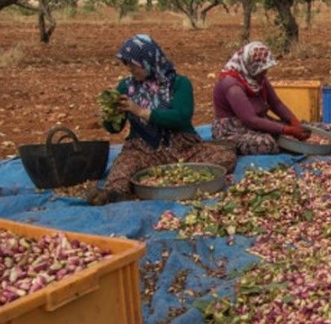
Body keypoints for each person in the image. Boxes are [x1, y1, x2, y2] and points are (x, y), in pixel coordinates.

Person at [89, 34, 236, 205]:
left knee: (225, 157)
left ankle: (164, 177)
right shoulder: (126, 87)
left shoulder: (179, 84)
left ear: (148, 60)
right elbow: (115, 128)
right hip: (143, 149)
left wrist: (141, 111)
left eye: (133, 64)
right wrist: (109, 115)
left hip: (182, 147)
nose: (129, 68)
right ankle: (113, 195)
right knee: (122, 167)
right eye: (126, 64)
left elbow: (181, 117)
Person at [211, 41, 311, 155]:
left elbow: (276, 103)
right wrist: (288, 130)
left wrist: (294, 121)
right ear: (249, 65)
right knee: (267, 143)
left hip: (258, 122)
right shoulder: (231, 85)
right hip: (234, 129)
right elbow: (250, 119)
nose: (265, 72)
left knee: (304, 129)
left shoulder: (258, 78)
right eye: (261, 69)